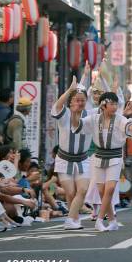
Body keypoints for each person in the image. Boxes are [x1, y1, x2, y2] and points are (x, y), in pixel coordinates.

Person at [73, 92, 132, 231]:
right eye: (111, 104)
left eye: (115, 104)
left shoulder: (119, 119)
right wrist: (75, 112)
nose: (114, 107)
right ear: (103, 105)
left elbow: (129, 126)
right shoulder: (94, 119)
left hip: (115, 156)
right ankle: (112, 220)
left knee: (110, 189)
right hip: (98, 157)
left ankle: (99, 220)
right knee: (101, 191)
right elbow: (78, 126)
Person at [51, 77, 92, 230]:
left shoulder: (90, 115)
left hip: (82, 159)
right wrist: (69, 90)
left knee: (82, 190)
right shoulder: (64, 114)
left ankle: (70, 220)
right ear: (70, 101)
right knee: (70, 192)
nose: (80, 103)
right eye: (76, 100)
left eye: (82, 100)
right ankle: (74, 219)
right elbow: (57, 106)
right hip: (64, 159)